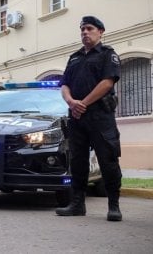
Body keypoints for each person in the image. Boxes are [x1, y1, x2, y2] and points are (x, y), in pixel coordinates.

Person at [56, 16, 122, 221]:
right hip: (77, 118)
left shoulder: (107, 54)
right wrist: (71, 102)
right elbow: (65, 84)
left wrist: (82, 102)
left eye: (89, 28)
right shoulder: (74, 58)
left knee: (108, 160)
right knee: (77, 162)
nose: (85, 32)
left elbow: (107, 83)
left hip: (100, 117)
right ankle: (77, 205)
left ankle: (113, 206)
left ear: (100, 32)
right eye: (82, 29)